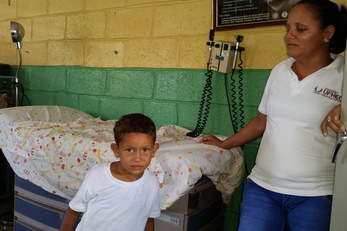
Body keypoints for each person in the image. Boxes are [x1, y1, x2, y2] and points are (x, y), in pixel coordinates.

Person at [199, 0, 347, 230]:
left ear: (327, 33)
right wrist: (225, 143)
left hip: (316, 195)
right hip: (263, 189)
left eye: (301, 29)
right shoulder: (280, 70)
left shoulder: (343, 76)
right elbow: (261, 122)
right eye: (288, 28)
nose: (289, 36)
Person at [60, 113, 161, 231]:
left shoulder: (152, 183)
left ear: (154, 150)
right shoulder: (98, 176)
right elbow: (74, 211)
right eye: (129, 150)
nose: (137, 158)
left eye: (145, 149)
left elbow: (148, 220)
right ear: (116, 150)